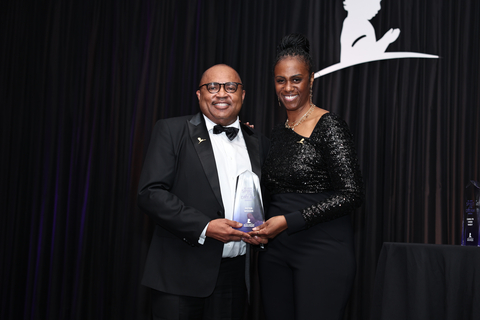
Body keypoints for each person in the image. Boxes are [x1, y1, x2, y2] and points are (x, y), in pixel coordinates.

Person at [137, 64, 269, 320]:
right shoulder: (172, 130)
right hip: (180, 273)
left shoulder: (258, 142)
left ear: (242, 95)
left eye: (230, 87)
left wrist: (263, 231)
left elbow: (264, 199)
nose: (222, 94)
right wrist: (206, 226)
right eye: (212, 87)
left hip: (234, 276)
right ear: (199, 95)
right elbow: (150, 193)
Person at [252, 34, 364, 320]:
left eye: (296, 79)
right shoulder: (276, 133)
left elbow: (352, 194)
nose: (288, 88)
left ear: (311, 79)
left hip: (322, 251)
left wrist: (289, 221)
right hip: (275, 253)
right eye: (280, 80)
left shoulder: (329, 125)